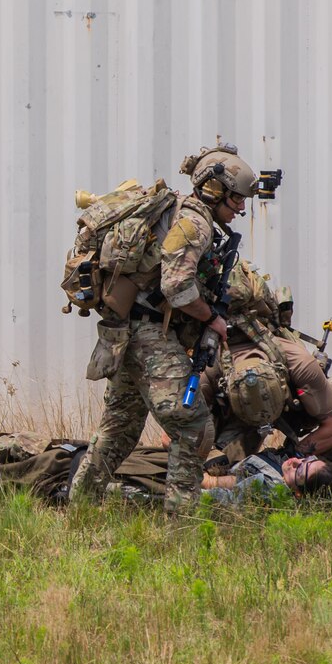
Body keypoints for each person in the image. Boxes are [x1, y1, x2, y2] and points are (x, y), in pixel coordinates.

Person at [67, 143, 252, 512]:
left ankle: (80, 507)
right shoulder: (195, 223)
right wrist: (210, 317)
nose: (241, 208)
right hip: (148, 336)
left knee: (119, 430)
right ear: (214, 191)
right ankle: (181, 523)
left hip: (127, 333)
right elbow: (176, 286)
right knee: (194, 427)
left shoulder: (179, 213)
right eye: (235, 200)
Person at [0, 430, 332, 505]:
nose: (297, 461)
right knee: (73, 454)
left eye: (303, 470)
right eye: (307, 459)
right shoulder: (273, 472)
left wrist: (205, 477)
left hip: (169, 481)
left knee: (60, 471)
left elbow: (220, 489)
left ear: (297, 491)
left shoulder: (270, 492)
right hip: (174, 468)